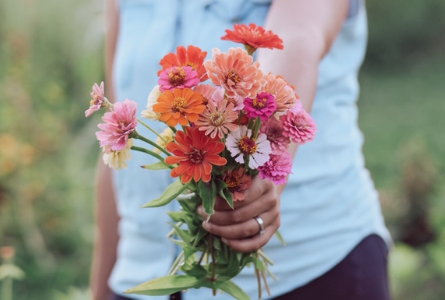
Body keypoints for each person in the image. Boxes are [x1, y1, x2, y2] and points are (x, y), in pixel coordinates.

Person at [91, 0, 392, 299]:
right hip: (142, 275)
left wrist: (261, 161)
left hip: (307, 270)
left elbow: (298, 35)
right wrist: (102, 289)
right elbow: (117, 152)